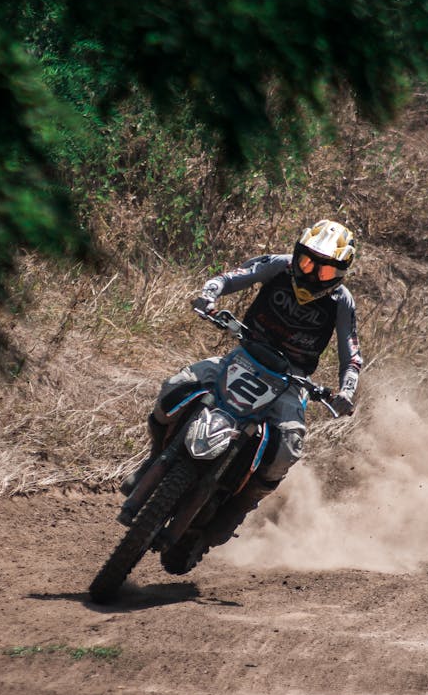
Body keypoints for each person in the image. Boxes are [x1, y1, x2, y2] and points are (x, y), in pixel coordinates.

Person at [123, 219, 362, 563]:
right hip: (244, 353)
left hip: (291, 380)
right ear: (296, 255)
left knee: (287, 449)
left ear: (340, 274)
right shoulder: (278, 266)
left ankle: (238, 508)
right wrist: (209, 295)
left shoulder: (342, 301)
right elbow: (231, 277)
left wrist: (346, 391)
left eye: (324, 271)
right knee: (176, 388)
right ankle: (152, 459)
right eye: (308, 262)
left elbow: (351, 354)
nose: (311, 275)